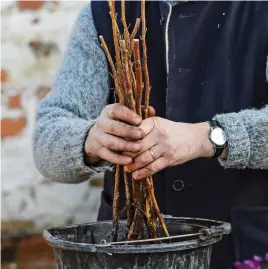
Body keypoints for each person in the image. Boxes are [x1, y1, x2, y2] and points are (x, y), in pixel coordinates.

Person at [33, 1, 268, 268]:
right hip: (128, 249)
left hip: (242, 247)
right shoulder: (106, 13)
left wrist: (209, 138)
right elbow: (46, 141)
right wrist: (91, 141)